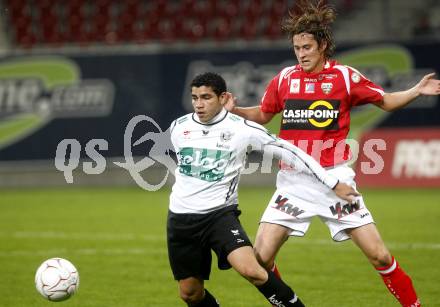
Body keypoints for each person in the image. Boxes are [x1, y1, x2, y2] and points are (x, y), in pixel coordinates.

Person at [224, 1, 440, 306]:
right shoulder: (286, 78)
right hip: (293, 181)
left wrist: (416, 91)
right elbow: (263, 113)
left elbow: (386, 101)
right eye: (297, 47)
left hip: (334, 179)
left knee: (379, 255)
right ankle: (289, 303)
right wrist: (237, 111)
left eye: (307, 46)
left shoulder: (345, 78)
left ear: (322, 45)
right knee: (260, 258)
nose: (301, 53)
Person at [167, 72, 360, 307]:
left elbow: (291, 152)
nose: (198, 104)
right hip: (181, 219)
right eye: (195, 97)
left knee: (253, 270)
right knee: (190, 293)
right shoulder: (179, 127)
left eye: (206, 97)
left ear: (222, 97)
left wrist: (332, 182)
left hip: (219, 216)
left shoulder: (243, 129)